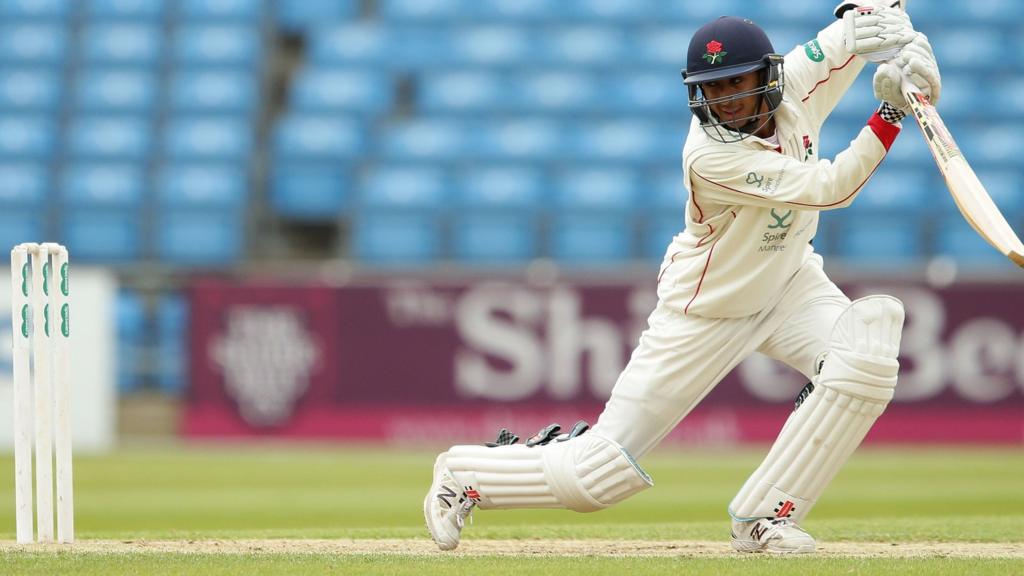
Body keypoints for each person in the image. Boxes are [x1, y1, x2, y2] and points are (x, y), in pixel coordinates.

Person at [424, 3, 941, 554]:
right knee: (596, 475)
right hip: (708, 306)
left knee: (867, 347)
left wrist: (883, 24)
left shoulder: (797, 80)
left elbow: (847, 36)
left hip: (790, 282)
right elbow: (833, 186)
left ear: (769, 77)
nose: (725, 101)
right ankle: (465, 475)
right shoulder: (708, 157)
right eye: (713, 90)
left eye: (737, 85)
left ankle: (767, 517)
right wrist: (891, 112)